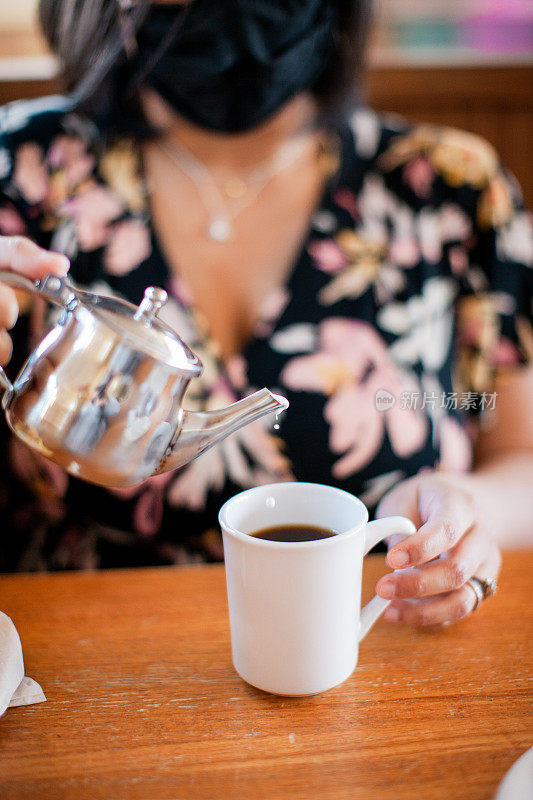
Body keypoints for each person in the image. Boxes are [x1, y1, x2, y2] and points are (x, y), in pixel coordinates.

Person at [0, 0, 532, 627]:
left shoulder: (452, 188)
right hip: (68, 665)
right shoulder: (20, 168)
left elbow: (520, 454)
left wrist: (471, 511)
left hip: (370, 655)